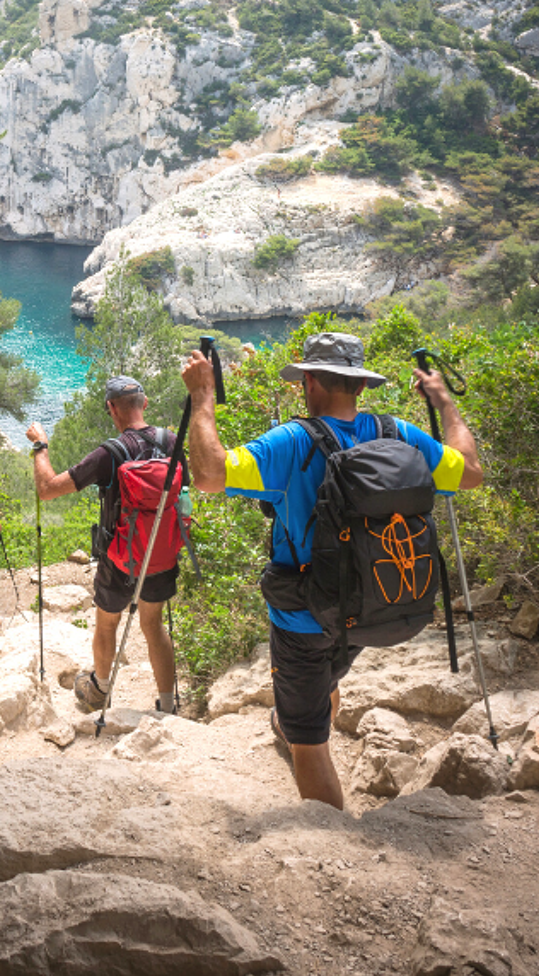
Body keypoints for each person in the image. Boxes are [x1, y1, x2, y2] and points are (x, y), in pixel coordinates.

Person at [179, 332, 483, 808]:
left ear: (310, 382)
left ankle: (330, 831)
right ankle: (309, 713)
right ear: (360, 387)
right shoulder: (399, 434)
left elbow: (210, 474)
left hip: (303, 618)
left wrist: (203, 396)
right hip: (372, 605)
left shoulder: (293, 442)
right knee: (326, 678)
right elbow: (470, 471)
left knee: (308, 742)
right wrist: (444, 402)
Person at [24, 376, 188, 715]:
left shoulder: (109, 453)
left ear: (112, 409)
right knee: (153, 624)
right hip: (161, 552)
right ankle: (168, 705)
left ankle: (99, 690)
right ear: (145, 403)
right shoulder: (171, 441)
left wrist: (41, 446)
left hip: (120, 557)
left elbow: (48, 489)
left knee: (107, 622)